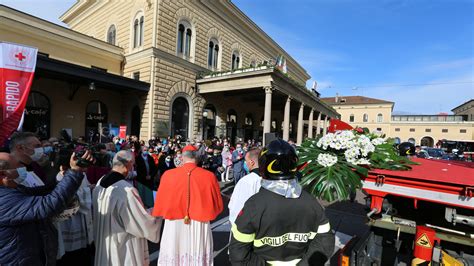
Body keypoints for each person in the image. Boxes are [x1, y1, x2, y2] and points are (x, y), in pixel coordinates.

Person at [229, 139, 335, 265]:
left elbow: (238, 253)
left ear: (263, 166)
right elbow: (325, 242)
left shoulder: (254, 205)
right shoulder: (312, 203)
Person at [0, 150, 93, 266]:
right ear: (3, 175)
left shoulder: (13, 190)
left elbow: (42, 192)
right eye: (18, 166)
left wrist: (64, 177)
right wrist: (74, 172)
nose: (23, 169)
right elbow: (50, 204)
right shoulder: (4, 199)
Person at [152, 145, 224, 265]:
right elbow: (217, 204)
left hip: (174, 223)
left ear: (182, 158)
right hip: (199, 223)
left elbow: (160, 201)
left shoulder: (168, 175)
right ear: (197, 158)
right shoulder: (209, 176)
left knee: (174, 251)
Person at [93, 150, 162, 266]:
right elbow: (142, 222)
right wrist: (158, 210)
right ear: (128, 164)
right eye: (133, 165)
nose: (133, 168)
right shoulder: (126, 191)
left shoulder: (100, 183)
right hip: (123, 246)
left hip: (103, 241)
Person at [228, 147, 262, 224]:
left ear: (251, 162)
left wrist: (233, 221)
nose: (245, 163)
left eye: (246, 161)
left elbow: (237, 206)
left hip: (248, 225)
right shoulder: (271, 179)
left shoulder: (247, 181)